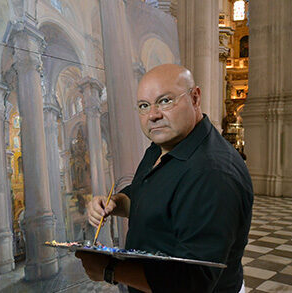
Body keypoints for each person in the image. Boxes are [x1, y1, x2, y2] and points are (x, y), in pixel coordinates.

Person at [75, 64, 253, 293]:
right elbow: (150, 195)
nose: (153, 115)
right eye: (144, 106)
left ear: (195, 98)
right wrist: (115, 203)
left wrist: (109, 270)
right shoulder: (163, 146)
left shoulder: (213, 174)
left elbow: (193, 282)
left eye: (165, 101)